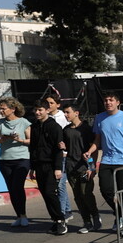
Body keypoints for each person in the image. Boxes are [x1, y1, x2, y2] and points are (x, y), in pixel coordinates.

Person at [83, 91, 123, 236]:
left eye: (111, 100)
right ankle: (122, 215)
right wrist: (90, 150)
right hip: (107, 160)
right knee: (105, 190)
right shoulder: (99, 118)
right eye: (106, 100)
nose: (108, 103)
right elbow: (97, 140)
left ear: (117, 102)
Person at [0, 97, 32, 227]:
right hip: (5, 160)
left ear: (13, 109)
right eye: (0, 109)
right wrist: (2, 139)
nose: (1, 111)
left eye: (3, 109)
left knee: (17, 186)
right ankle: (19, 216)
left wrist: (20, 140)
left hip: (22, 159)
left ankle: (24, 215)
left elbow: (31, 140)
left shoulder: (23, 122)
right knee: (11, 189)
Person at [29, 101, 67, 235]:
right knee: (45, 194)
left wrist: (58, 168)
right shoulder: (34, 126)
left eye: (40, 110)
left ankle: (61, 220)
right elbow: (32, 147)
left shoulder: (54, 127)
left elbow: (58, 149)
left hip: (51, 165)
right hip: (38, 165)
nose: (37, 113)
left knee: (50, 193)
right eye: (36, 110)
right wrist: (32, 167)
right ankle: (55, 220)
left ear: (47, 110)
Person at [62, 104, 99, 233]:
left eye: (68, 112)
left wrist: (92, 167)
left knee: (86, 194)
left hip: (84, 167)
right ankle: (86, 221)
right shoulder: (66, 130)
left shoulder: (86, 129)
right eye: (64, 112)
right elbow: (66, 147)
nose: (66, 115)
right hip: (71, 167)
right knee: (77, 196)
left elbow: (94, 149)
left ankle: (95, 216)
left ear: (76, 113)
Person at [44, 94, 73, 223]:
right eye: (47, 103)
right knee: (59, 185)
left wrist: (66, 150)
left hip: (63, 155)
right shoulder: (46, 118)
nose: (49, 105)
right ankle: (67, 210)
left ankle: (62, 212)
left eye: (51, 103)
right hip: (53, 154)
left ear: (57, 104)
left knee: (60, 184)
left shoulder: (62, 117)